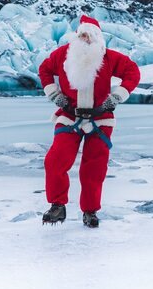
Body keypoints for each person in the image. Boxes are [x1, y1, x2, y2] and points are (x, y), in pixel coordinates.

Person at [38, 15, 141, 228]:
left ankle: (90, 211)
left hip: (100, 120)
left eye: (90, 35)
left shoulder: (110, 58)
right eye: (82, 34)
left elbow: (132, 72)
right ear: (77, 36)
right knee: (55, 161)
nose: (85, 39)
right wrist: (55, 95)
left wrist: (116, 97)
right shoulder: (62, 56)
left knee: (94, 168)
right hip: (69, 117)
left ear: (98, 38)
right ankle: (57, 205)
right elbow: (45, 70)